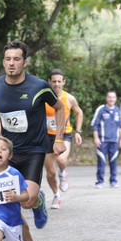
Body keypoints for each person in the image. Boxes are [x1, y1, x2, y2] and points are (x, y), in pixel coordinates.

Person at [0, 39, 66, 241]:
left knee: (28, 201)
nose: (11, 64)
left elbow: (60, 107)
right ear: (3, 61)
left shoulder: (39, 86)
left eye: (16, 59)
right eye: (7, 59)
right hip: (8, 154)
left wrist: (60, 138)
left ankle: (38, 200)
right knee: (11, 205)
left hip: (34, 150)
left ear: (25, 62)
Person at [44, 69, 83, 209]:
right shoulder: (44, 98)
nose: (56, 84)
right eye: (53, 81)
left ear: (64, 82)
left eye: (59, 81)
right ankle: (56, 196)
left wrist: (78, 131)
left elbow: (79, 113)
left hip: (64, 134)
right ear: (49, 82)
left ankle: (63, 173)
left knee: (61, 159)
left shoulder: (69, 98)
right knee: (50, 172)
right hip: (47, 136)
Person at [91, 91, 121, 188]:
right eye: (109, 97)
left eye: (113, 97)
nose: (111, 99)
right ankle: (99, 182)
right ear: (106, 98)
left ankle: (113, 181)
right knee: (101, 162)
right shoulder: (101, 109)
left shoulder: (118, 110)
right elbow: (94, 125)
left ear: (116, 98)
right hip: (102, 141)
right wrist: (96, 138)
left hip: (114, 141)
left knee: (113, 162)